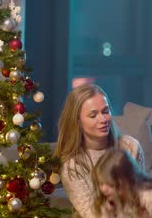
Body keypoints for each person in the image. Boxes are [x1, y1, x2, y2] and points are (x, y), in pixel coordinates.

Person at [54, 84, 144, 218]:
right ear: (77, 121)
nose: (102, 119)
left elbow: (142, 196)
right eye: (93, 115)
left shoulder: (131, 146)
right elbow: (92, 214)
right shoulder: (71, 164)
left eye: (105, 111)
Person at [92, 148, 152, 218]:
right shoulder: (108, 200)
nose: (103, 189)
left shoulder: (148, 195)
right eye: (101, 183)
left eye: (110, 184)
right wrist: (108, 213)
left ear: (125, 182)